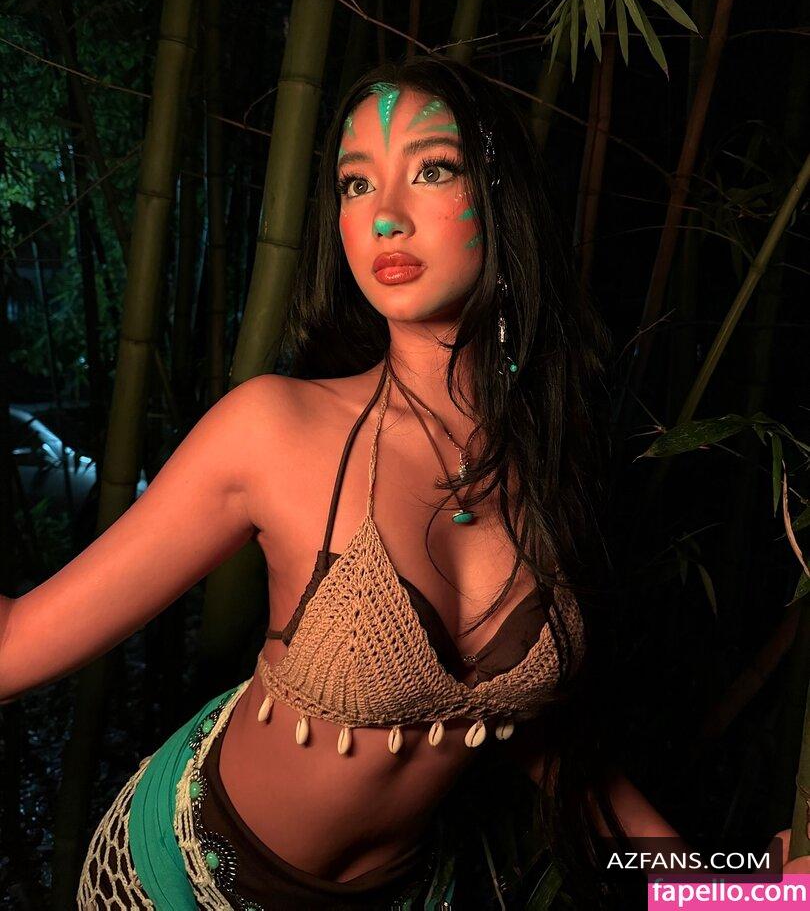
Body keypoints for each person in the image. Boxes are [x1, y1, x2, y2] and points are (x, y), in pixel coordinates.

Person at [0, 56, 803, 909]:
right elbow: (13, 648)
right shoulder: (272, 429)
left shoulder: (545, 460)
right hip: (185, 881)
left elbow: (552, 755)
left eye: (432, 170)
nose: (385, 216)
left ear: (500, 197)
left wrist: (742, 893)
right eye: (356, 184)